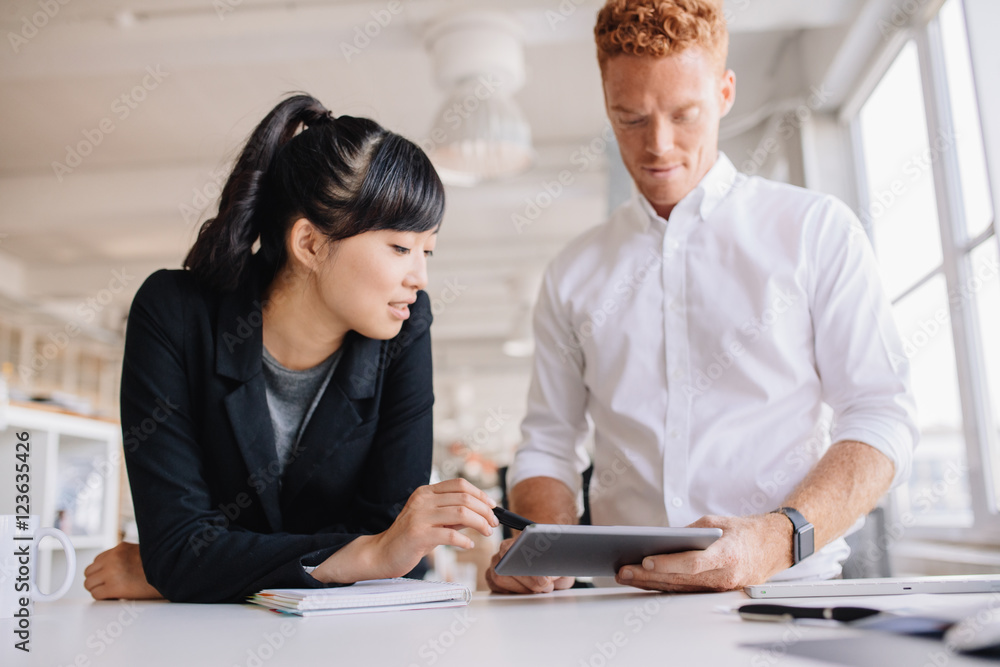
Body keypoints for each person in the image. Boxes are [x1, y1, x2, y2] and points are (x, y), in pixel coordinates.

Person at [486, 0, 918, 595]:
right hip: (619, 602)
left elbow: (880, 414)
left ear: (725, 92)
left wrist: (774, 538)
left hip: (785, 590)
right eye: (630, 118)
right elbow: (548, 444)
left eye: (685, 114)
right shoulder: (573, 271)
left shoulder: (816, 230)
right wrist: (542, 542)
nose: (658, 145)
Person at [83, 94, 499, 603]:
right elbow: (178, 551)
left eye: (427, 250)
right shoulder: (173, 314)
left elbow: (401, 555)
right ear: (309, 243)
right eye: (399, 247)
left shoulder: (405, 325)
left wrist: (202, 569)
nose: (420, 277)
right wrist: (366, 555)